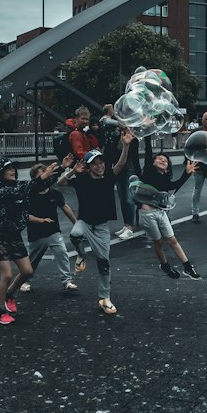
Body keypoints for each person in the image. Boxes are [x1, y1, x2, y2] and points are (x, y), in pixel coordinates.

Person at [59, 131, 133, 316]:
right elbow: (60, 183)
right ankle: (81, 255)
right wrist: (70, 171)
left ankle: (105, 298)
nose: (99, 166)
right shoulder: (82, 179)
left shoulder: (108, 177)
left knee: (104, 263)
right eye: (95, 163)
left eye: (101, 162)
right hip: (84, 222)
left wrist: (125, 145)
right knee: (75, 235)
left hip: (101, 228)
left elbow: (121, 164)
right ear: (89, 166)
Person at [0, 157, 60, 325]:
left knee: (27, 271)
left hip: (14, 236)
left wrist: (63, 168)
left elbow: (39, 186)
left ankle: (10, 294)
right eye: (8, 168)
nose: (13, 170)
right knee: (7, 274)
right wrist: (43, 176)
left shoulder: (18, 187)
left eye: (13, 168)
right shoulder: (1, 190)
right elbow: (31, 186)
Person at [129, 136, 200, 279]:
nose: (163, 160)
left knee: (172, 239)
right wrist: (147, 136)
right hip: (147, 215)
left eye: (165, 161)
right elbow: (148, 154)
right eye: (159, 158)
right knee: (158, 241)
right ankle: (164, 265)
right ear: (152, 162)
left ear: (168, 168)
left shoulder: (165, 180)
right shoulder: (148, 174)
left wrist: (187, 173)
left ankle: (187, 266)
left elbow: (176, 185)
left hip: (161, 213)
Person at [24, 162, 78, 294]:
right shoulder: (30, 194)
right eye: (42, 174)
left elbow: (65, 207)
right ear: (35, 179)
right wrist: (40, 220)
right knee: (33, 260)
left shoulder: (54, 193)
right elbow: (24, 214)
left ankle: (67, 281)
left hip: (53, 231)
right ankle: (25, 281)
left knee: (62, 253)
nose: (46, 176)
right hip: (36, 233)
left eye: (47, 173)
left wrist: (77, 224)